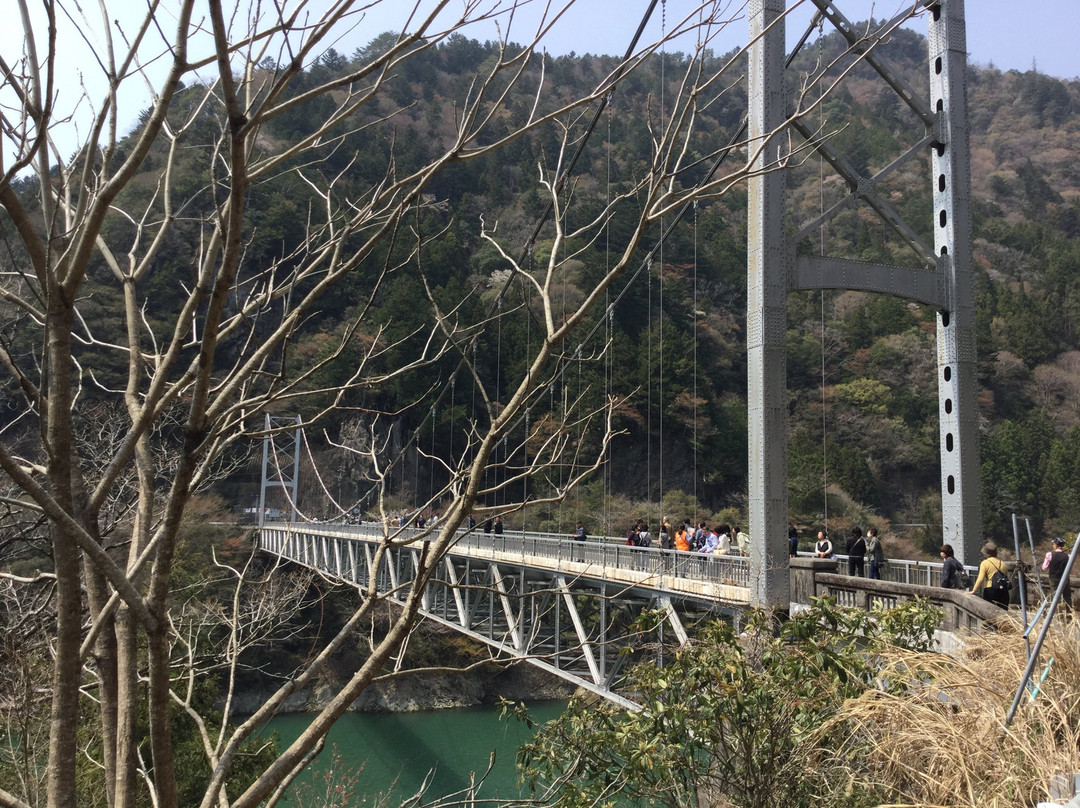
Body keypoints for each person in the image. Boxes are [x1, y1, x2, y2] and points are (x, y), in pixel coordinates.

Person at [969, 541, 1010, 608]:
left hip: (990, 590)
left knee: (989, 611)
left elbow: (980, 578)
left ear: (986, 553)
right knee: (1003, 613)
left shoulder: (985, 563)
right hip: (1003, 590)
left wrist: (974, 590)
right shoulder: (1002, 563)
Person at [1043, 537, 1073, 610]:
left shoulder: (1049, 554)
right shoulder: (1068, 556)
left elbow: (1044, 568)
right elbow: (1071, 570)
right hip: (1065, 578)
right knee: (1067, 597)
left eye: (1053, 544)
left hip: (1054, 578)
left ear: (1056, 545)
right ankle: (1069, 616)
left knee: (1055, 597)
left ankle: (1060, 615)